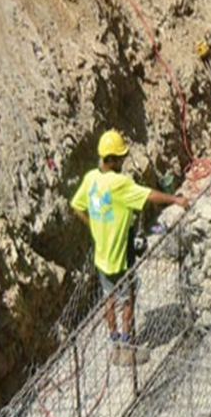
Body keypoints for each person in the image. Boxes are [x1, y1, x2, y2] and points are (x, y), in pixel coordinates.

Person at [71, 129, 189, 366]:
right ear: (112, 159)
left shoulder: (91, 179)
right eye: (121, 158)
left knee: (108, 299)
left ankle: (114, 343)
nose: (123, 161)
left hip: (102, 256)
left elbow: (76, 205)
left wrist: (93, 224)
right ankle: (127, 347)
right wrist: (176, 200)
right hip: (120, 258)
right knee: (127, 301)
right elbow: (148, 195)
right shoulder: (119, 183)